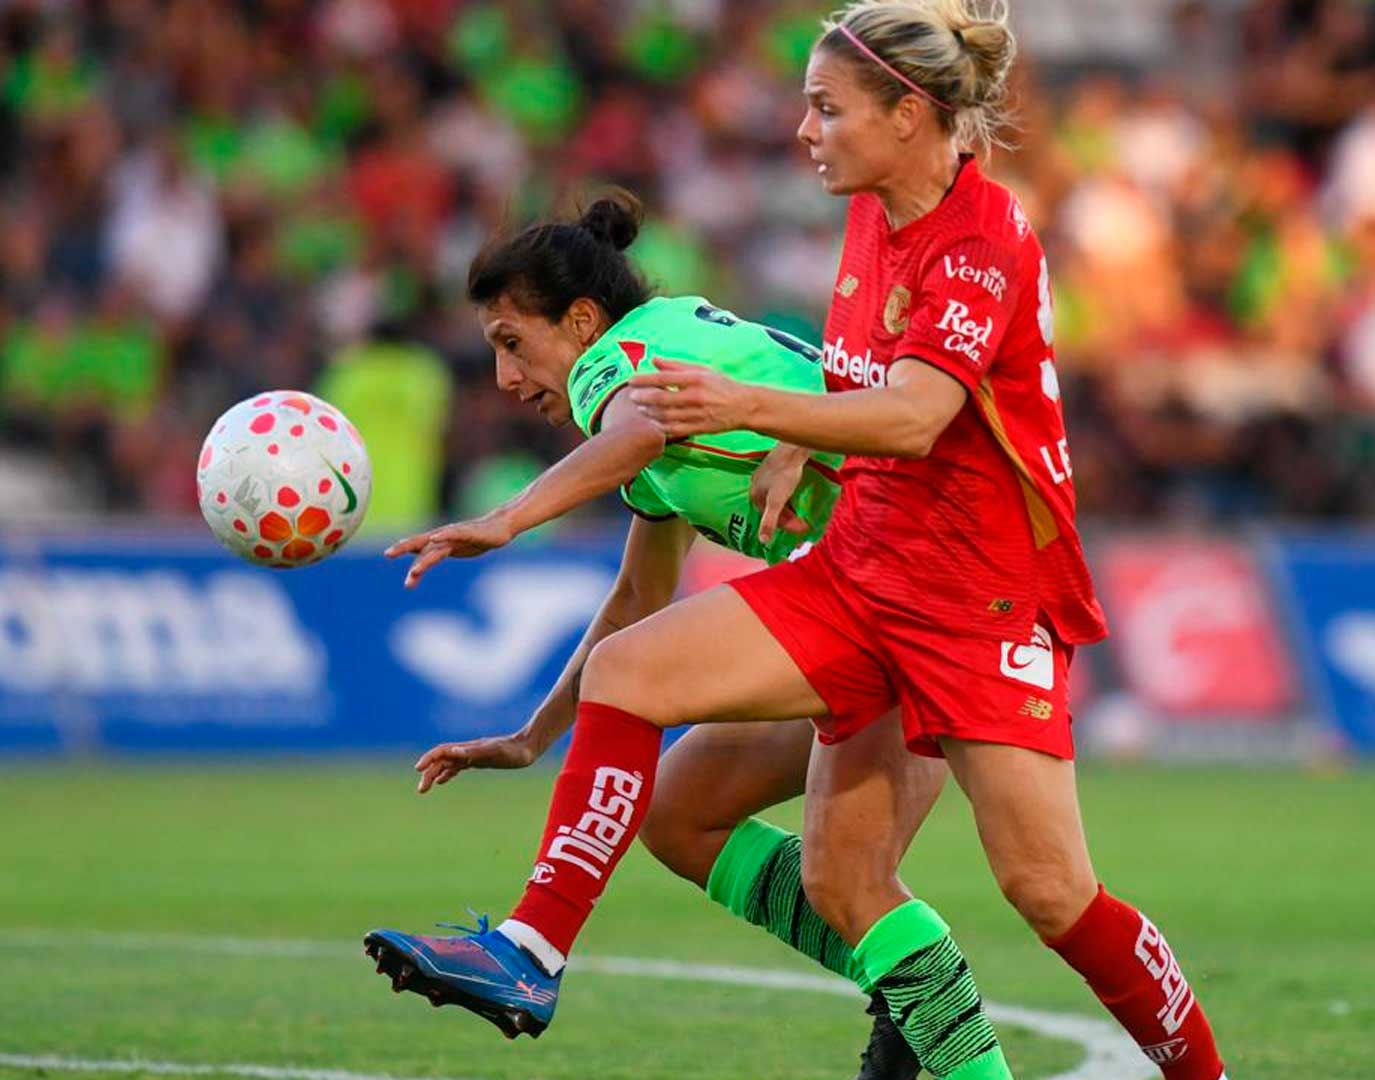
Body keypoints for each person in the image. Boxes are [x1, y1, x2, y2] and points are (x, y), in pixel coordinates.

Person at [375, 2, 1230, 1078]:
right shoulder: (871, 218)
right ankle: (530, 949)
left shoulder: (984, 238)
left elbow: (916, 413)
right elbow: (844, 393)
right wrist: (534, 734)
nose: (804, 132)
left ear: (907, 114)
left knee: (1043, 889)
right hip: (862, 569)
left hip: (981, 595)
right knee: (649, 708)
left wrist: (523, 511)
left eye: (827, 108)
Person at [367, 189, 987, 1080]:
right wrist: (533, 737)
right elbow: (635, 599)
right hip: (908, 590)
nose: (505, 379)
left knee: (929, 888)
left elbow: (639, 430)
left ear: (580, 321)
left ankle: (532, 950)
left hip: (919, 585)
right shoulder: (669, 361)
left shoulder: (617, 362)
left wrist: (506, 519)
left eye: (513, 344)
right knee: (680, 814)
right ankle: (919, 994)